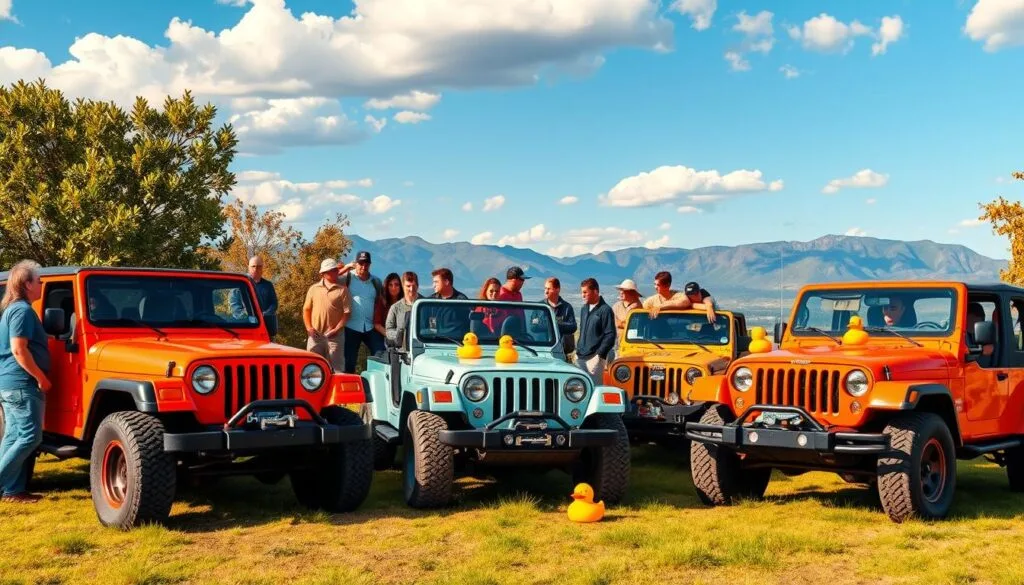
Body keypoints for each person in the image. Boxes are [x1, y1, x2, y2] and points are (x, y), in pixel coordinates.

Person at [0, 260, 50, 504]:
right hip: (22, 383)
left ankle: (12, 491)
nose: (41, 285)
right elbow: (19, 350)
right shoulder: (21, 311)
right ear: (27, 284)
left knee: (12, 436)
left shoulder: (14, 309)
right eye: (39, 281)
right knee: (30, 436)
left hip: (11, 382)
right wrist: (41, 378)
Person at [302, 259, 351, 373]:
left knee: (337, 370)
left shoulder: (343, 290)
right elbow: (306, 309)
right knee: (311, 369)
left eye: (335, 270)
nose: (335, 272)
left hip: (335, 338)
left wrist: (336, 329)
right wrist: (309, 328)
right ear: (323, 273)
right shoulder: (313, 289)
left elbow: (347, 314)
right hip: (315, 337)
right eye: (332, 270)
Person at [341, 251, 384, 373]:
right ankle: (349, 388)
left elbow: (381, 301)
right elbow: (329, 279)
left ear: (370, 265)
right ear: (355, 263)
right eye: (360, 263)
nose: (363, 267)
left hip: (370, 327)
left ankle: (376, 381)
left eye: (366, 264)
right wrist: (346, 267)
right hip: (351, 326)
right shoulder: (347, 277)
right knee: (349, 362)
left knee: (380, 353)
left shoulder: (376, 282)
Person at [575, 278, 615, 385]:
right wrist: (577, 350)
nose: (582, 296)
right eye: (582, 292)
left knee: (594, 389)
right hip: (580, 358)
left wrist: (598, 357)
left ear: (595, 291)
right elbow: (582, 331)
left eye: (585, 292)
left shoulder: (605, 310)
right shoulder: (584, 309)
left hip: (595, 360)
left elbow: (610, 335)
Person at [385, 272, 423, 350]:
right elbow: (388, 330)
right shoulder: (395, 308)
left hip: (423, 351)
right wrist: (399, 335)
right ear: (402, 286)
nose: (411, 289)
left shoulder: (426, 305)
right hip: (402, 353)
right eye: (408, 286)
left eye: (414, 286)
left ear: (418, 286)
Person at [543, 277, 577, 363]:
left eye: (549, 289)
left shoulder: (567, 307)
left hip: (561, 352)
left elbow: (573, 326)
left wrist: (554, 324)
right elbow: (533, 327)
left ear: (557, 289)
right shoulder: (540, 307)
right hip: (543, 351)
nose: (546, 291)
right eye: (545, 288)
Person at [247, 256, 279, 340]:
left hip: (265, 329)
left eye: (258, 266)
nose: (256, 269)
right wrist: (247, 316)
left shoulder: (268, 285)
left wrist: (265, 314)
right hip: (246, 328)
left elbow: (274, 303)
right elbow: (235, 306)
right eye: (253, 266)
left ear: (262, 268)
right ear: (249, 268)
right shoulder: (242, 285)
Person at [612, 279, 643, 355]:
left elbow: (632, 326)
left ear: (631, 293)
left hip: (632, 346)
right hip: (616, 345)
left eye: (624, 290)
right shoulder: (617, 306)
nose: (621, 292)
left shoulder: (638, 308)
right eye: (621, 290)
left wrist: (620, 323)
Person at [374, 272, 403, 344]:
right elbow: (377, 324)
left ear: (401, 286)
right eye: (390, 285)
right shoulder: (382, 301)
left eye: (396, 285)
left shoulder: (405, 301)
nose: (394, 288)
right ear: (386, 286)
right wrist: (392, 336)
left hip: (405, 337)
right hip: (386, 337)